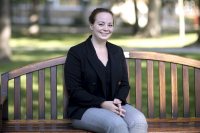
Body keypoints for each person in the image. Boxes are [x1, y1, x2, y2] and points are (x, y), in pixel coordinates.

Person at [64, 8, 148, 133]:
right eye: (101, 24)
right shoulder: (77, 52)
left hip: (115, 105)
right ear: (91, 25)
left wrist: (118, 99)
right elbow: (75, 90)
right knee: (117, 125)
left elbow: (124, 84)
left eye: (110, 25)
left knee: (139, 121)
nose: (106, 28)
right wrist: (102, 103)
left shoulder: (117, 51)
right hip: (84, 109)